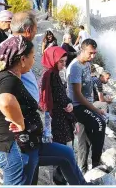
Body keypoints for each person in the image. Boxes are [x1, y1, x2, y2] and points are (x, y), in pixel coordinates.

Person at [0, 36, 87, 185]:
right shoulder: (8, 79)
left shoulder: (6, 77)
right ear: (22, 59)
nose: (34, 61)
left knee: (66, 154)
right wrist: (20, 123)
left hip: (29, 144)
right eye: (32, 57)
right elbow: (5, 101)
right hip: (15, 149)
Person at [39, 46, 79, 185]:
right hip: (57, 120)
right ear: (53, 60)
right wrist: (73, 117)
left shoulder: (52, 73)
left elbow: (63, 98)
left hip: (59, 118)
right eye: (61, 62)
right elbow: (60, 99)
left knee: (62, 153)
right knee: (62, 155)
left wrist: (69, 105)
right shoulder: (51, 75)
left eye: (65, 61)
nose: (63, 65)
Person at [66, 38, 107, 174]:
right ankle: (95, 163)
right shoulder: (75, 67)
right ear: (82, 50)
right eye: (90, 53)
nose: (93, 56)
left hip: (86, 105)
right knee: (100, 123)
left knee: (85, 139)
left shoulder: (87, 64)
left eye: (94, 53)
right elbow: (77, 95)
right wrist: (96, 109)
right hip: (78, 107)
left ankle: (84, 171)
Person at [77, 71, 112, 174]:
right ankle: (91, 166)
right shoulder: (96, 81)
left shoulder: (89, 78)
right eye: (107, 78)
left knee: (86, 139)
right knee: (85, 140)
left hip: (86, 109)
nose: (108, 80)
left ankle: (87, 168)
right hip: (83, 110)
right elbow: (101, 99)